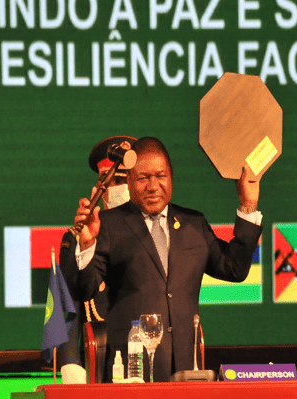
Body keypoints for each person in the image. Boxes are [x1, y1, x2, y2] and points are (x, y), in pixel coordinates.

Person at [60, 136, 262, 382]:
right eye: (143, 178)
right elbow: (84, 289)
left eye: (160, 176)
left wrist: (248, 204)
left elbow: (235, 268)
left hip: (187, 372)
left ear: (171, 177)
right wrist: (88, 244)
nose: (153, 186)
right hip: (131, 373)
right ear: (130, 182)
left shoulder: (193, 224)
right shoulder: (109, 226)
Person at [57, 135, 137, 367]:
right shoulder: (78, 238)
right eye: (113, 180)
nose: (120, 188)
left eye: (126, 180)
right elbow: (69, 311)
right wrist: (70, 365)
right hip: (98, 357)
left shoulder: (153, 233)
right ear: (100, 188)